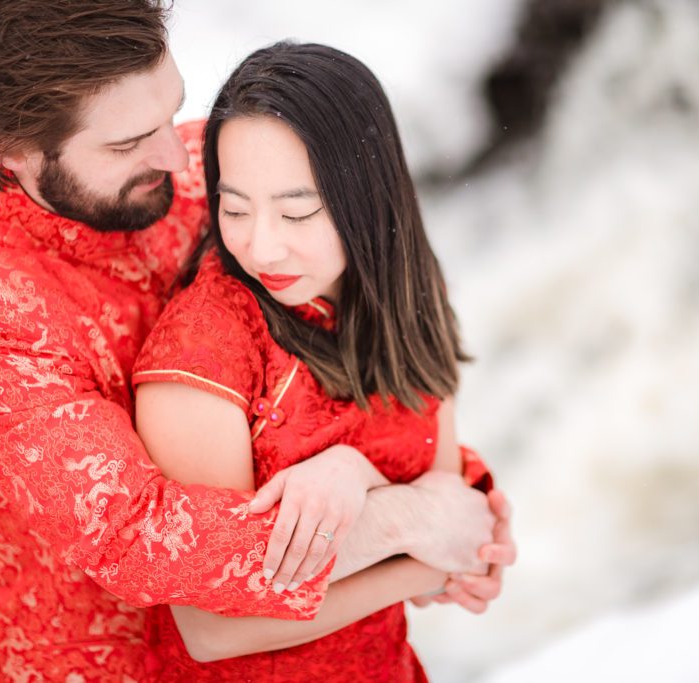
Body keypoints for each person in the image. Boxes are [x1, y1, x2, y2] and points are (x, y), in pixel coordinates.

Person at [0, 2, 515, 681]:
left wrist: (440, 487)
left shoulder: (211, 175)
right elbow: (144, 537)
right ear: (11, 157)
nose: (177, 154)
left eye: (171, 112)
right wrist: (406, 521)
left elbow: (335, 341)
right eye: (127, 142)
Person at [130, 41, 508, 681]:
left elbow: (455, 533)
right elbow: (213, 627)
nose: (261, 244)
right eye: (236, 208)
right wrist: (418, 546)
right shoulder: (203, 350)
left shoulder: (407, 293)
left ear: (366, 195)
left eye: (297, 210)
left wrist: (355, 475)